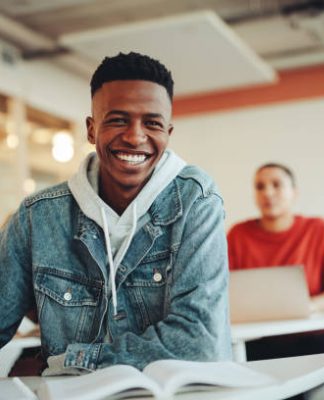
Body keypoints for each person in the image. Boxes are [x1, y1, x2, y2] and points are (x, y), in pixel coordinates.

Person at [0, 52, 232, 375]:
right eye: (118, 120)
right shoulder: (36, 217)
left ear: (168, 132)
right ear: (92, 129)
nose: (135, 137)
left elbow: (199, 343)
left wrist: (72, 362)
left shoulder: (196, 200)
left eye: (152, 123)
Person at [227, 163, 324, 400]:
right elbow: (223, 292)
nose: (267, 192)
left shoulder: (319, 229)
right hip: (259, 338)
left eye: (276, 184)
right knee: (237, 367)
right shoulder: (237, 235)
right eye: (260, 186)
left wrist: (308, 306)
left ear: (294, 193)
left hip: (316, 334)